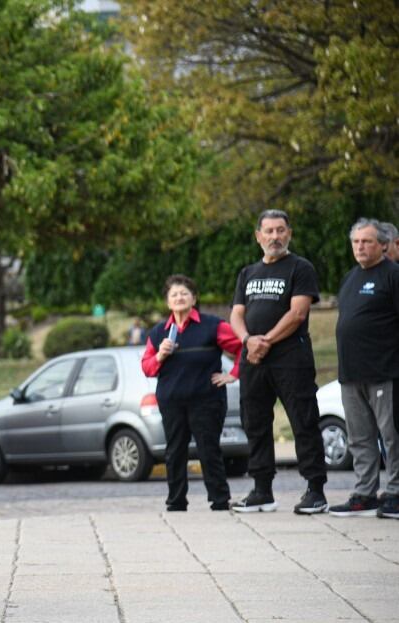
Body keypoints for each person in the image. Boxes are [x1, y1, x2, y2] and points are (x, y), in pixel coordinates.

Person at [229, 209, 328, 514]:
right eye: (269, 231)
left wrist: (266, 340)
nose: (275, 237)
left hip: (290, 358)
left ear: (289, 233)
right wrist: (248, 341)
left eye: (280, 230)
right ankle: (262, 490)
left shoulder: (300, 268)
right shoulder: (247, 273)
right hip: (254, 359)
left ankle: (315, 490)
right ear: (258, 236)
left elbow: (297, 313)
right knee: (255, 423)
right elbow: (236, 314)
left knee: (303, 421)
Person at [141, 275, 242, 511]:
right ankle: (176, 501)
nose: (179, 298)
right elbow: (147, 367)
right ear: (167, 302)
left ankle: (219, 500)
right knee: (174, 451)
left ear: (193, 298)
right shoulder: (158, 333)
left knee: (209, 449)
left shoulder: (213, 325)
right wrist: (160, 355)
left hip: (207, 399)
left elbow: (243, 347)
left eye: (184, 293)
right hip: (172, 401)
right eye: (174, 294)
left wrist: (233, 374)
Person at [328, 219, 399, 519]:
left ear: (383, 244)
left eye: (367, 241)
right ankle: (365, 493)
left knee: (392, 435)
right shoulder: (350, 277)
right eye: (356, 241)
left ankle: (395, 492)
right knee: (359, 437)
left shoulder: (393, 276)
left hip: (384, 371)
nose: (360, 247)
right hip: (350, 373)